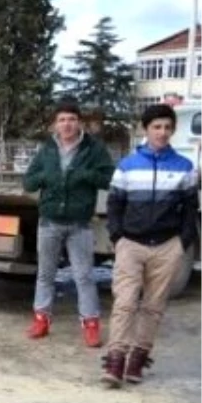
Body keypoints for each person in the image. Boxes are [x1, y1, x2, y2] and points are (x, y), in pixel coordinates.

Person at [101, 103, 197, 387]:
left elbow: (191, 209)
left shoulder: (184, 167)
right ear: (146, 129)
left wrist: (183, 241)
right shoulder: (128, 165)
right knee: (126, 303)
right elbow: (114, 204)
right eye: (157, 127)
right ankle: (115, 361)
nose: (162, 132)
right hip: (131, 243)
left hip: (167, 246)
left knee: (154, 307)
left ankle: (137, 361)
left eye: (168, 127)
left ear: (173, 130)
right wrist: (118, 237)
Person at [21, 100, 114, 345]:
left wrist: (84, 175)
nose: (67, 124)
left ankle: (91, 324)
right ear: (55, 124)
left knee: (84, 276)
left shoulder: (93, 148)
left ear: (79, 122)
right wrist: (47, 176)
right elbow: (29, 182)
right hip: (49, 222)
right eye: (62, 120)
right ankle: (41, 320)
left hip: (79, 224)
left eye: (71, 119)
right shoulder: (47, 149)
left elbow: (109, 178)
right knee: (45, 274)